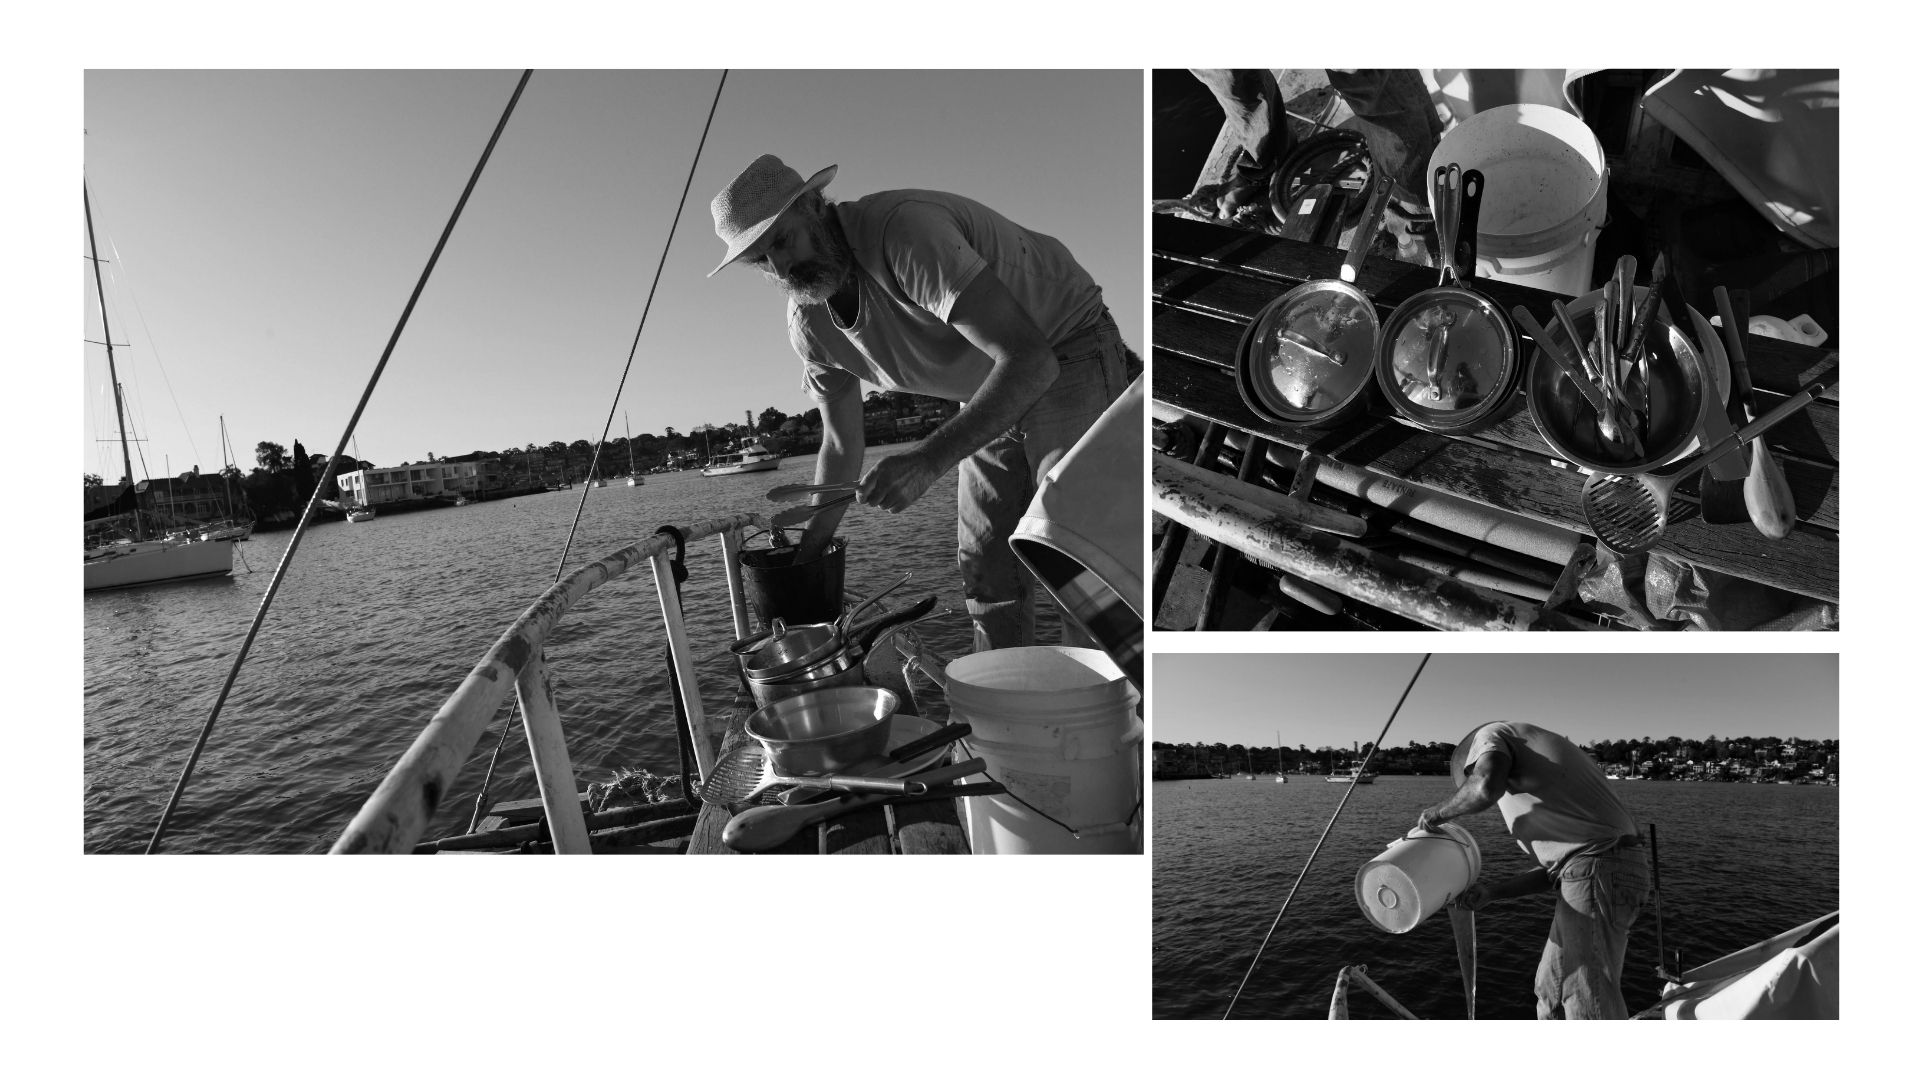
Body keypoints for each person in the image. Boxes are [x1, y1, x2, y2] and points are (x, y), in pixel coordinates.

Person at [708, 154, 1136, 651]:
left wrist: (926, 460)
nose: (781, 267)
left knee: (1078, 566)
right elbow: (841, 445)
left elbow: (1031, 361)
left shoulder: (905, 235)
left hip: (1065, 344)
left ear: (815, 206)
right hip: (986, 387)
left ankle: (1105, 698)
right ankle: (1005, 693)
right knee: (986, 572)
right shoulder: (810, 324)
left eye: (782, 241)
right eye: (762, 259)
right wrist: (807, 560)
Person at [1415, 721, 1651, 1019]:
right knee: (1551, 990)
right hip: (1599, 870)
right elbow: (1561, 870)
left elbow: (1484, 787)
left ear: (1474, 758)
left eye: (1469, 775)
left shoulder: (1492, 734)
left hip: (1599, 868)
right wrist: (1492, 893)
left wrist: (1435, 814)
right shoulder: (1542, 767)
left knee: (1584, 994)